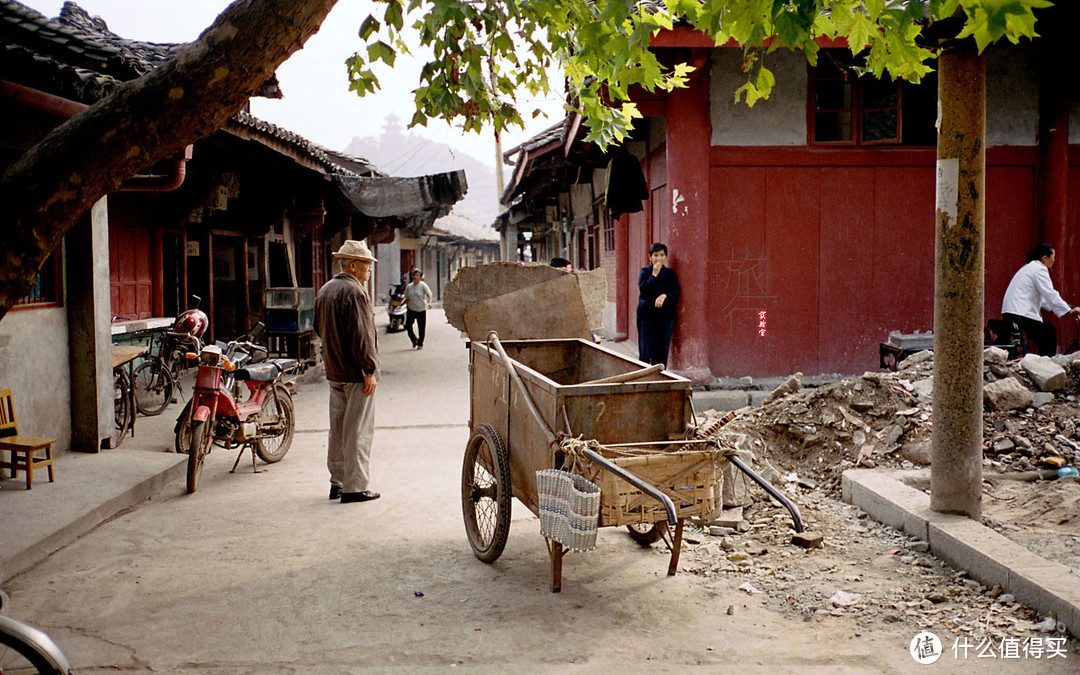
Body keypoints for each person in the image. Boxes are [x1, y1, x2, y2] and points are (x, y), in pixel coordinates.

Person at [314, 240, 381, 504]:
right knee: (358, 431)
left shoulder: (326, 289)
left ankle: (337, 483)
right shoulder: (355, 292)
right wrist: (369, 370)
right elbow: (361, 336)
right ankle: (355, 487)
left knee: (339, 429)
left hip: (334, 371)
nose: (369, 271)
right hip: (355, 373)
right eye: (366, 265)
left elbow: (320, 330)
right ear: (353, 265)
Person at [1001, 242, 1080, 355]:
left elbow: (1044, 300)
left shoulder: (1030, 268)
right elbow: (1050, 294)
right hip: (1020, 312)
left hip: (1013, 311)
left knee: (1047, 332)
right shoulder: (1039, 269)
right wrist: (1068, 311)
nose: (1054, 260)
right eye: (1053, 257)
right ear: (1045, 258)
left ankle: (1041, 362)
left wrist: (1067, 306)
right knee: (1049, 333)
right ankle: (1045, 366)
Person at [637, 242, 680, 366]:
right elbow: (644, 291)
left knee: (661, 350)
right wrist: (654, 274)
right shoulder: (645, 272)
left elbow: (676, 292)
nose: (659, 258)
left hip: (665, 317)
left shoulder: (670, 273)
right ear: (650, 257)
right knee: (645, 349)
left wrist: (665, 295)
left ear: (666, 256)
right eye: (655, 255)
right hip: (646, 316)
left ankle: (659, 378)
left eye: (662, 255)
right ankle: (644, 379)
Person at [404, 268, 433, 349]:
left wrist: (430, 303)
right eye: (414, 275)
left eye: (417, 275)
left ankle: (420, 343)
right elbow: (407, 297)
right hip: (411, 309)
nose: (415, 277)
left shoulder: (423, 285)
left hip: (421, 309)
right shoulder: (409, 286)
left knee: (421, 328)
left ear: (420, 277)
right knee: (408, 326)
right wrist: (403, 304)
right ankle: (414, 340)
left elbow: (429, 294)